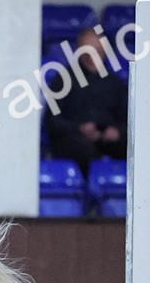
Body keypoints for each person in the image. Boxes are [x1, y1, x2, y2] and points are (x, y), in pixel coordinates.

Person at [43, 27, 128, 174]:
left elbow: (127, 121)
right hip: (74, 140)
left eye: (97, 51)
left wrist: (116, 131)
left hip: (108, 140)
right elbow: (52, 121)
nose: (91, 57)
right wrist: (78, 128)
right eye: (87, 52)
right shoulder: (62, 81)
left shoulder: (116, 84)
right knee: (83, 149)